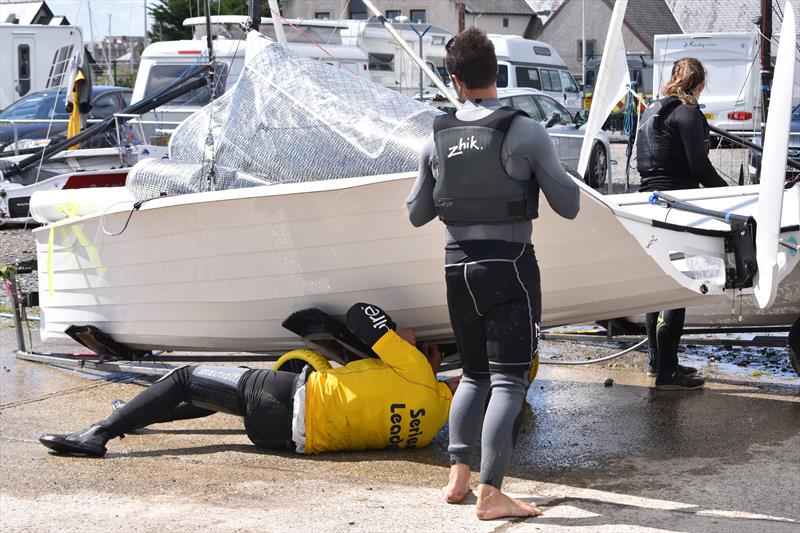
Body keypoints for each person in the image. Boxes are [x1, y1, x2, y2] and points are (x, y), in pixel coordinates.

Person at [407, 28, 580, 520]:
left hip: (455, 268)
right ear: (496, 75)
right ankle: (491, 492)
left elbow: (417, 214)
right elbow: (568, 205)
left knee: (474, 375)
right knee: (508, 382)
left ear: (455, 79)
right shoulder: (524, 130)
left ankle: (457, 476)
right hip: (509, 268)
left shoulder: (434, 136)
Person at [39, 303, 457, 457]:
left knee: (187, 377)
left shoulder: (418, 369)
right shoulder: (432, 428)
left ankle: (97, 435)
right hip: (289, 442)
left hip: (286, 401)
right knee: (217, 392)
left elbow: (359, 315)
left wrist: (403, 338)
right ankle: (135, 413)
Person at [636, 57, 729, 391]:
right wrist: (730, 197)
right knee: (678, 286)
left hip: (647, 202)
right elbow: (700, 167)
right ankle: (667, 373)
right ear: (699, 83)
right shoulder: (688, 113)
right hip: (677, 204)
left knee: (656, 286)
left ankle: (657, 362)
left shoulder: (653, 109)